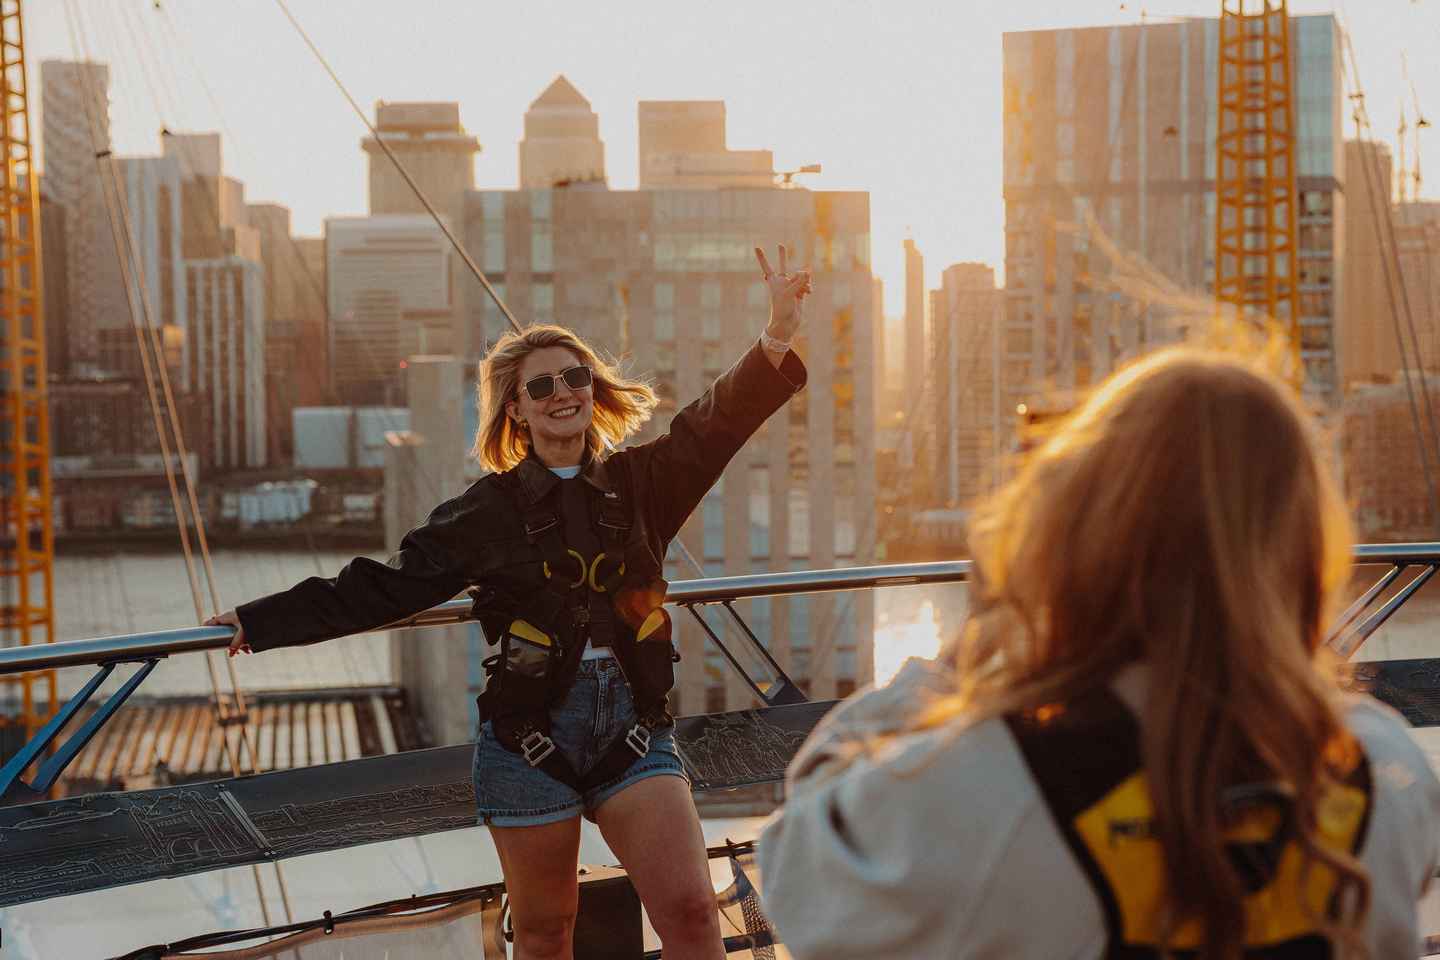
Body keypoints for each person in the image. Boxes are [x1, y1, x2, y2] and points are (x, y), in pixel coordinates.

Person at [208, 245, 811, 960]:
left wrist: (775, 334)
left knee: (690, 913)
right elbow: (383, 587)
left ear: (593, 388)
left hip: (634, 733)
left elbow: (713, 425)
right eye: (542, 384)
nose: (563, 391)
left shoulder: (643, 483)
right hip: (530, 740)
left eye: (575, 376)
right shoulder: (484, 512)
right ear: (517, 410)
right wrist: (258, 621)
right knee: (548, 933)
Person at [758, 347, 1440, 959]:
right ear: (1304, 544)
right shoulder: (1385, 768)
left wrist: (976, 642)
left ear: (1082, 530)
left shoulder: (982, 788)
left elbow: (800, 868)